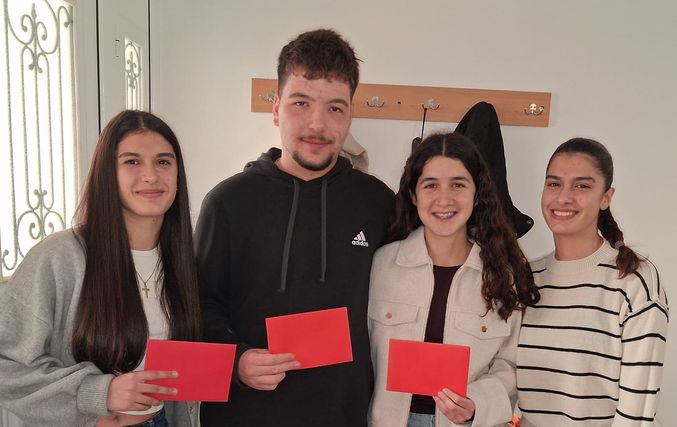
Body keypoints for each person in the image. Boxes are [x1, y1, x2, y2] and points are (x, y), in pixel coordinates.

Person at [195, 29, 394, 426]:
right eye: (301, 103)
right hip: (245, 415)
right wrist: (237, 361)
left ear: (350, 115)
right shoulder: (227, 202)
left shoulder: (380, 203)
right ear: (276, 108)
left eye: (335, 108)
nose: (317, 124)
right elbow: (199, 305)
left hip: (345, 416)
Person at [0, 110, 201, 426]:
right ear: (107, 173)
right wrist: (97, 392)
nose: (151, 175)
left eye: (163, 162)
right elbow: (6, 365)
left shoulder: (182, 260)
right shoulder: (60, 257)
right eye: (132, 161)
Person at [368, 132, 540, 427]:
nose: (444, 199)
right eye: (430, 185)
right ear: (413, 195)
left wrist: (477, 405)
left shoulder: (504, 273)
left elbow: (512, 362)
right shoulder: (380, 265)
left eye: (458, 185)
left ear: (477, 193)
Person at [516, 138, 669, 426]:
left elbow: (637, 409)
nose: (564, 197)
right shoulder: (528, 278)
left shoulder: (633, 279)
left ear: (606, 197)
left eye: (582, 186)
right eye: (554, 184)